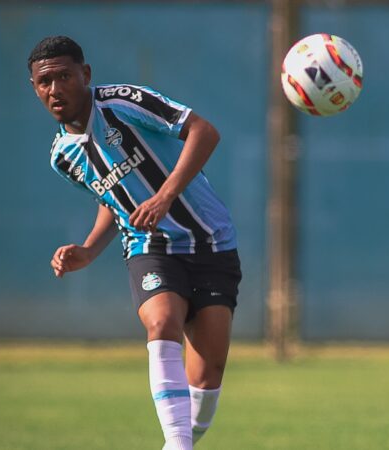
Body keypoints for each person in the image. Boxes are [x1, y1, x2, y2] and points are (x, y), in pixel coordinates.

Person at [28, 35, 241, 450]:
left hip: (210, 240)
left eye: (64, 77)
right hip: (150, 247)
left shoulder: (123, 102)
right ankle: (178, 445)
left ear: (85, 75)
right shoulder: (62, 157)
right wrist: (89, 249)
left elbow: (204, 132)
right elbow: (114, 199)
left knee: (208, 375)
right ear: (35, 88)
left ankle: (182, 441)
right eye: (44, 82)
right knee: (162, 323)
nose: (55, 89)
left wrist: (164, 197)